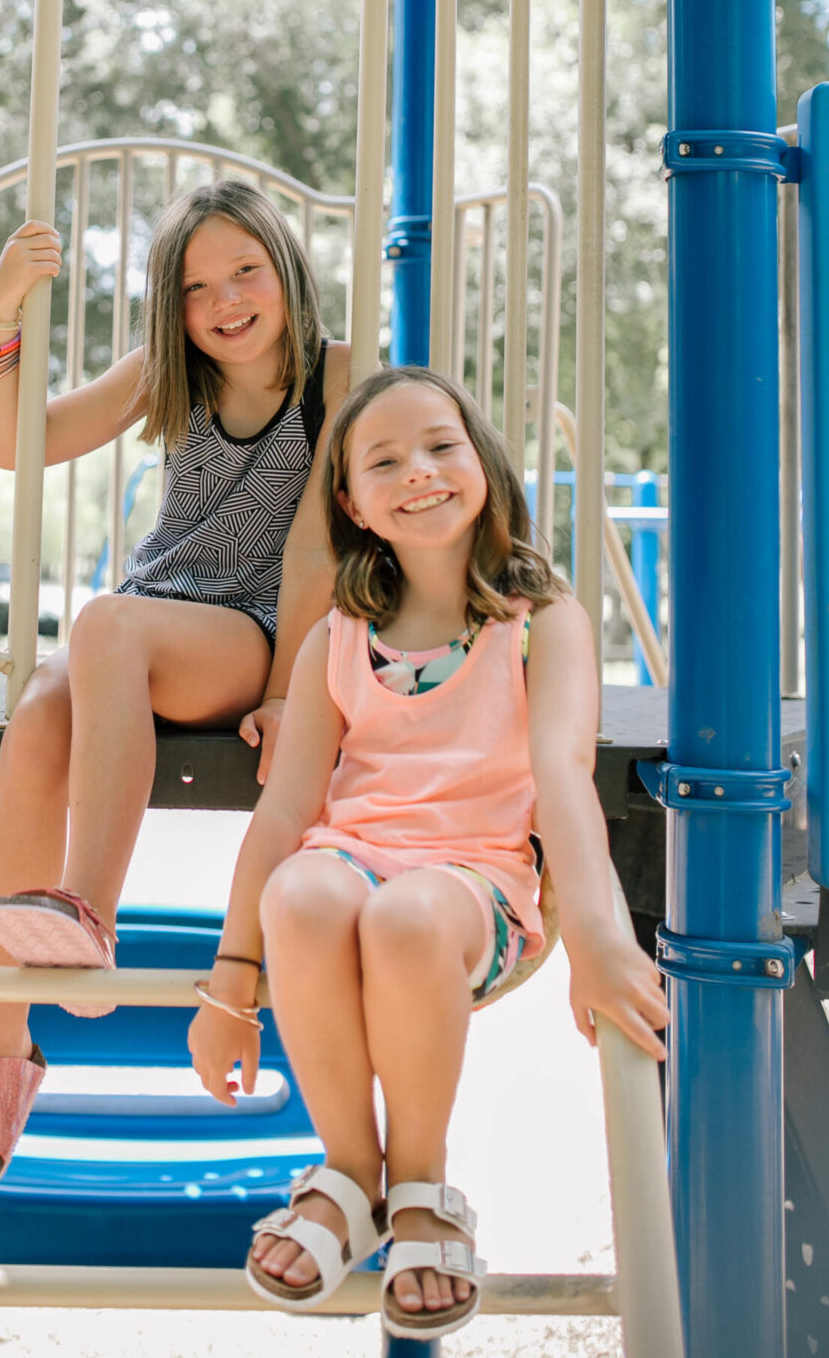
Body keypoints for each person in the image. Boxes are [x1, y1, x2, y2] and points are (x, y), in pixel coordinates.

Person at [187, 366, 668, 1340]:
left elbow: (563, 781)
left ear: (482, 462)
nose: (420, 471)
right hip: (354, 859)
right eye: (385, 459)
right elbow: (284, 815)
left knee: (404, 916)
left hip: (474, 885)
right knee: (304, 892)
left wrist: (600, 940)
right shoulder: (338, 635)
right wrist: (229, 987)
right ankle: (349, 1172)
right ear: (352, 502)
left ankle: (420, 1184)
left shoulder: (541, 626)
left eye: (442, 446)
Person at [0, 180, 350, 1196]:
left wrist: (294, 691)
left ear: (287, 270)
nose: (226, 301)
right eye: (199, 287)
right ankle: (4, 1042)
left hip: (252, 635)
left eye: (246, 271)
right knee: (39, 712)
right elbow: (15, 443)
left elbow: (311, 546)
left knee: (101, 626)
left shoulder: (336, 376)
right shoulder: (171, 371)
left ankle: (86, 913)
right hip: (146, 626)